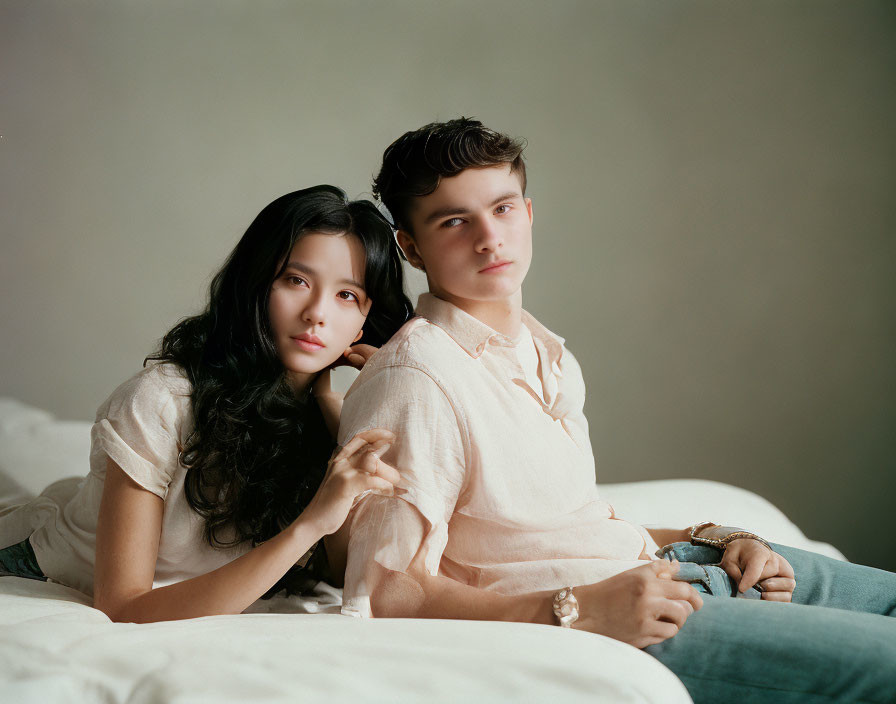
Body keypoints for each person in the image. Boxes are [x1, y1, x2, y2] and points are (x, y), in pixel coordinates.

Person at [336, 119, 896, 702]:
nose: (488, 238)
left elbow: (572, 526)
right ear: (410, 247)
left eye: (501, 210)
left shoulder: (545, 352)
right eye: (455, 221)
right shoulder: (414, 377)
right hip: (623, 620)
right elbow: (383, 592)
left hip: (683, 568)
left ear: (528, 214)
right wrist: (575, 610)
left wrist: (720, 536)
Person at [0, 185, 413, 623]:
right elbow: (123, 606)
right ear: (256, 283)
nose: (316, 312)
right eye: (296, 280)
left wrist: (348, 416)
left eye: (346, 295)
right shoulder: (161, 400)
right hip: (38, 563)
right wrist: (308, 525)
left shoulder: (328, 421)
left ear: (363, 324)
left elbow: (340, 573)